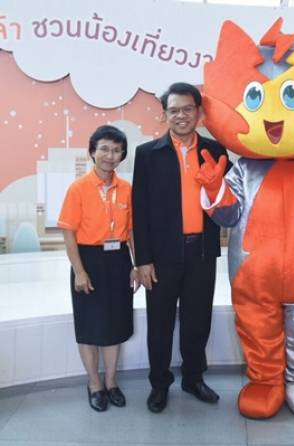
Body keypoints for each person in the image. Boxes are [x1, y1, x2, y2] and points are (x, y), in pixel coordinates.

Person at [132, 82, 229, 413]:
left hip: (202, 251)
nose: (181, 116)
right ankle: (159, 384)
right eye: (174, 110)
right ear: (165, 114)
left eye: (187, 109)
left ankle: (193, 378)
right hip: (161, 256)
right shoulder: (148, 154)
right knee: (159, 322)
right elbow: (140, 210)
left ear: (198, 112)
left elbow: (229, 197)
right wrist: (143, 260)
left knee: (197, 320)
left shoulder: (215, 151)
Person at [58, 125, 140, 412]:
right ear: (92, 152)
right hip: (88, 261)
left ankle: (112, 382)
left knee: (115, 325)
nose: (110, 155)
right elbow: (69, 233)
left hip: (119, 261)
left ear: (122, 156)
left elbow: (132, 231)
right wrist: (79, 271)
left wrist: (135, 265)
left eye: (116, 150)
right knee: (90, 327)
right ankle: (94, 384)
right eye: (104, 148)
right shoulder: (78, 188)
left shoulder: (127, 189)